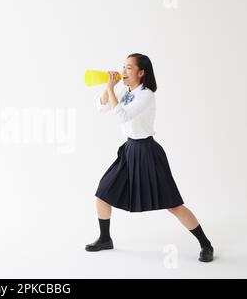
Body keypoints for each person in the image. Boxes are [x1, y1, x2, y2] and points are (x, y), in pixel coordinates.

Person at [85, 53, 214, 262]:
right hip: (129, 150)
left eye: (128, 68)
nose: (123, 71)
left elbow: (123, 116)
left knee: (173, 205)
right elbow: (101, 108)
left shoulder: (146, 95)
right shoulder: (124, 91)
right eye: (123, 67)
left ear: (141, 72)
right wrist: (107, 87)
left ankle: (206, 245)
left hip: (147, 151)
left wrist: (111, 90)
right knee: (102, 193)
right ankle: (105, 238)